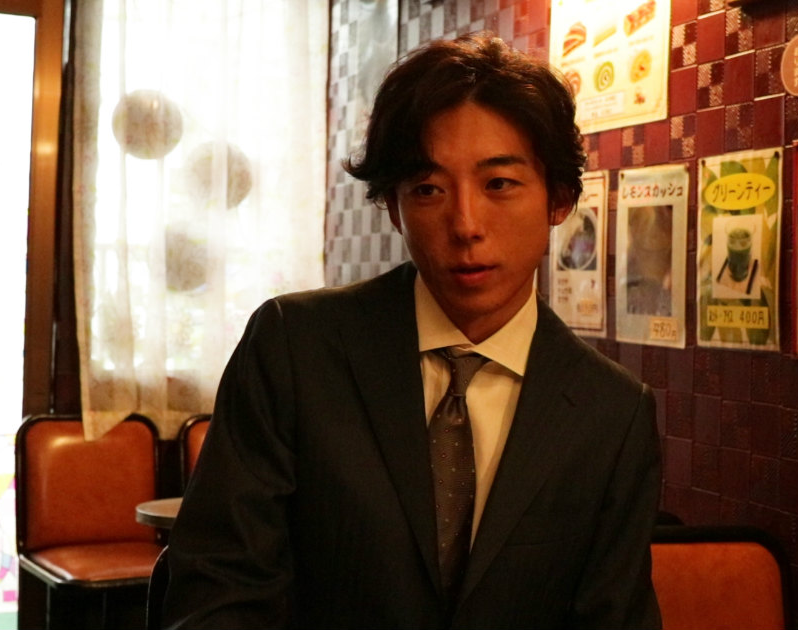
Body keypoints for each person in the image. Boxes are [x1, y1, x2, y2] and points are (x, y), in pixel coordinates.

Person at [163, 32, 662, 629]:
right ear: (395, 208)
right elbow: (218, 588)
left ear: (558, 198)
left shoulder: (612, 412)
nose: (466, 224)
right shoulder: (294, 348)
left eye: (499, 184)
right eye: (428, 189)